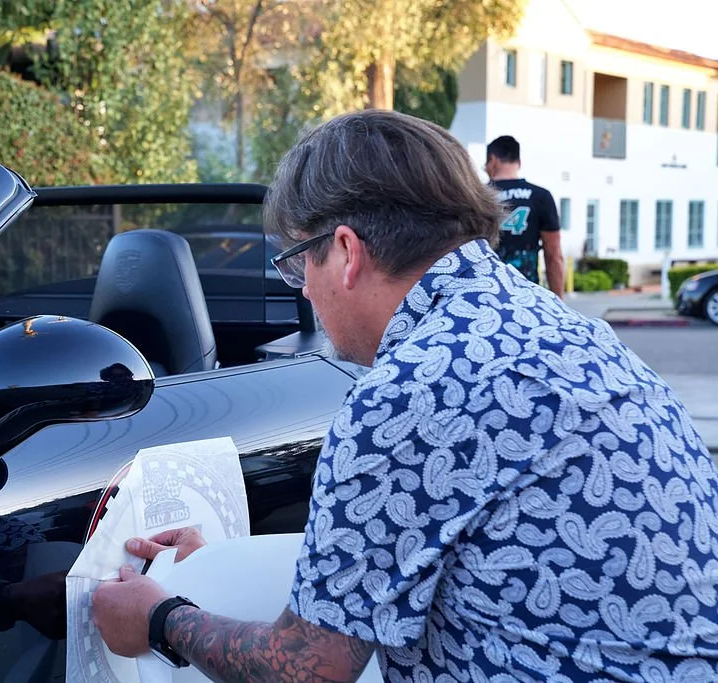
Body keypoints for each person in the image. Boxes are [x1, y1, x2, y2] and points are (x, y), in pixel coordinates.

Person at [91, 110, 718, 682]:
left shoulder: (407, 394)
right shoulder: (562, 329)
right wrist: (219, 571)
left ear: (344, 252)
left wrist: (160, 618)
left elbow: (311, 669)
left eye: (296, 268)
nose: (304, 294)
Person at [485, 135, 566, 298]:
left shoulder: (478, 196)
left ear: (492, 160)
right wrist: (559, 303)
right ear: (519, 162)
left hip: (487, 294)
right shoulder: (541, 196)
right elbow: (553, 254)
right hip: (528, 296)